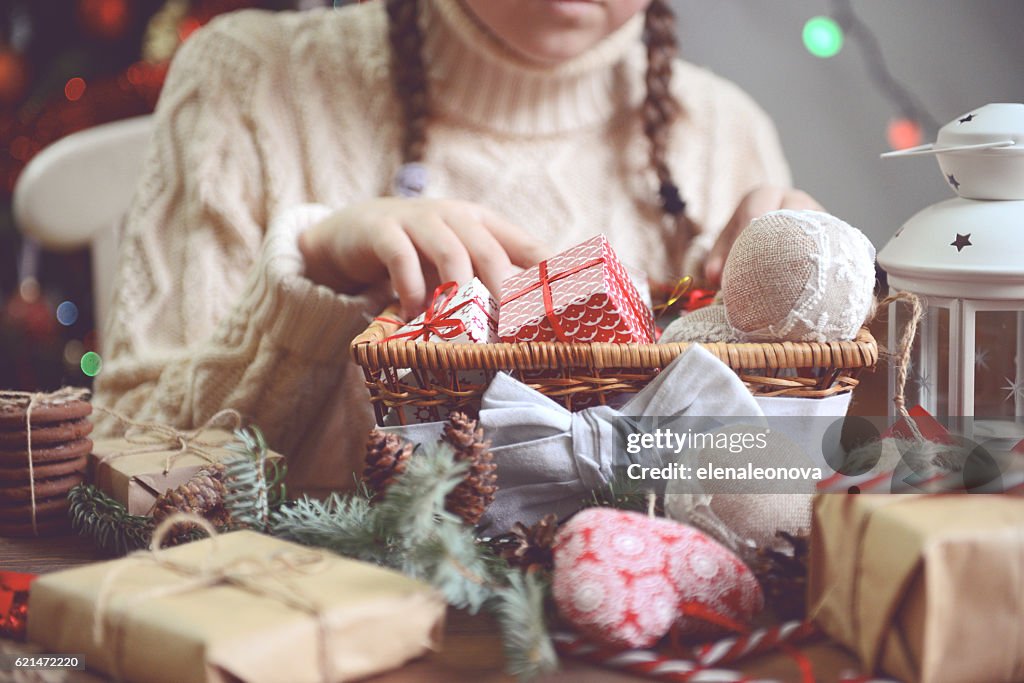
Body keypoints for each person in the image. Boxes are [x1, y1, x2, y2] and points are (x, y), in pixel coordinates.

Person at [94, 0, 821, 496]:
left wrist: (777, 315)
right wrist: (309, 275)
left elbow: (787, 488)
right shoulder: (248, 82)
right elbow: (125, 479)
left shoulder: (727, 134)